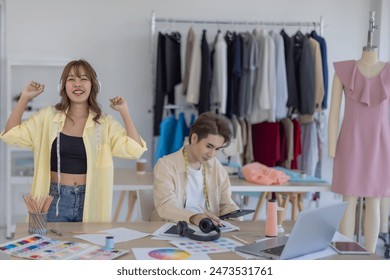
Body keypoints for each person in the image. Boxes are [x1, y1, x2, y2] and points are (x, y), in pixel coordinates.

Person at [0, 59, 147, 223]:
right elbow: (11, 134)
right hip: (54, 199)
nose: (78, 84)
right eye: (71, 79)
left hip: (90, 199)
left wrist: (124, 111)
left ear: (93, 85)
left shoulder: (104, 123)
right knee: (52, 247)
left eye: (83, 79)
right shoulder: (48, 117)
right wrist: (24, 98)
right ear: (63, 86)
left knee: (89, 247)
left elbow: (135, 149)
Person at [328, 48, 390, 253]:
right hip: (350, 142)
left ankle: (371, 257)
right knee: (349, 200)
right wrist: (331, 147)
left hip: (379, 145)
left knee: (374, 200)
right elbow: (334, 113)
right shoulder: (344, 71)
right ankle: (346, 254)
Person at [152, 112, 240, 227]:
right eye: (209, 146)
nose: (212, 154)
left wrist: (234, 213)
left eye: (217, 149)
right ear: (194, 138)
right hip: (174, 229)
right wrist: (194, 217)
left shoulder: (216, 167)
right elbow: (165, 206)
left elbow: (225, 203)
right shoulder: (166, 165)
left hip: (207, 229)